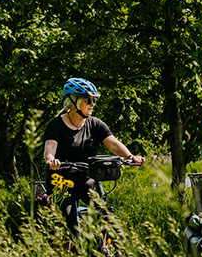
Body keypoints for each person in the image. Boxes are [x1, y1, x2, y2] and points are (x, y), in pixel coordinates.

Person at [42, 77, 143, 232]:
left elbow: (113, 144)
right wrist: (51, 160)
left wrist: (130, 157)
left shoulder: (95, 124)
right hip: (61, 182)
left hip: (86, 178)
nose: (92, 104)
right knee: (70, 224)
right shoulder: (55, 125)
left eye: (93, 100)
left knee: (107, 216)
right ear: (73, 101)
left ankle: (108, 250)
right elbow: (50, 147)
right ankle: (69, 254)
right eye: (88, 100)